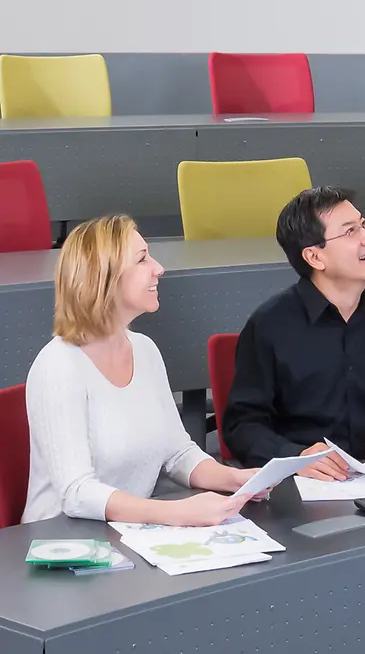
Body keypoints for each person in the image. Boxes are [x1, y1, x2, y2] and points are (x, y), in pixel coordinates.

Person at [23, 215, 263, 525]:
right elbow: (77, 492)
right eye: (142, 259)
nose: (159, 268)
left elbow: (177, 454)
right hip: (62, 542)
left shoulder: (145, 350)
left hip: (127, 533)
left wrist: (236, 479)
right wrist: (177, 513)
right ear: (104, 277)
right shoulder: (58, 365)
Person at [223, 187, 365, 481]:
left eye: (364, 224)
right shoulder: (270, 325)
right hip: (304, 484)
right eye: (349, 232)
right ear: (314, 257)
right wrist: (294, 456)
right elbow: (242, 426)